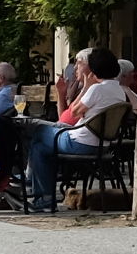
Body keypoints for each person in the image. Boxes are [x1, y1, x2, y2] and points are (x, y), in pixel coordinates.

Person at [27, 48, 126, 212]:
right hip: (103, 143)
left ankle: (34, 187)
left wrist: (87, 86)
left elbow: (74, 112)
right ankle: (41, 194)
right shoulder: (119, 91)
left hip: (80, 142)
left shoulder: (97, 89)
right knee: (41, 148)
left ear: (94, 70)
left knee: (39, 133)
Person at [54, 48, 92, 125]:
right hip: (65, 129)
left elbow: (65, 121)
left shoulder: (92, 90)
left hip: (70, 133)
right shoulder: (77, 86)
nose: (74, 67)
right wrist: (61, 93)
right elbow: (64, 118)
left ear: (91, 67)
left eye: (79, 63)